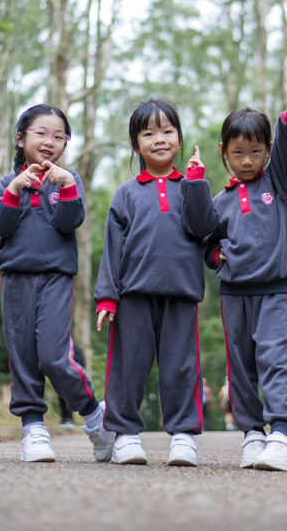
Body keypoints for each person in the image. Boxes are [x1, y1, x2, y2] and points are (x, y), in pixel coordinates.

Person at [0, 104, 114, 463]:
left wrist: (68, 185)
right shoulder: (7, 182)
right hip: (15, 279)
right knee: (23, 356)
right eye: (40, 133)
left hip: (56, 279)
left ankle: (93, 414)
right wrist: (15, 188)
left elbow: (69, 222)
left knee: (54, 357)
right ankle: (33, 429)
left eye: (59, 136)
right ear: (21, 138)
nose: (49, 141)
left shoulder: (67, 179)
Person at [95, 99, 217, 466]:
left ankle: (183, 436)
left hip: (181, 292)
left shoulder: (191, 185)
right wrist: (107, 297)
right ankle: (125, 435)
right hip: (133, 293)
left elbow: (205, 228)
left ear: (179, 139)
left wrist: (197, 183)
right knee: (128, 366)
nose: (159, 139)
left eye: (167, 131)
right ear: (136, 145)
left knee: (181, 366)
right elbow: (112, 248)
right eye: (148, 133)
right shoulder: (125, 194)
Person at [202, 67, 287, 472]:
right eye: (237, 153)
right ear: (224, 152)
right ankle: (252, 433)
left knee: (275, 358)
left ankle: (281, 435)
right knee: (241, 366)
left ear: (267, 151)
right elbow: (207, 242)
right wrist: (217, 257)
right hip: (234, 294)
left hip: (275, 291)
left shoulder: (278, 182)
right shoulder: (220, 201)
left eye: (255, 152)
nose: (246, 161)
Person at [57, 340, 87, 429]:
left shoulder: (74, 348)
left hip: (73, 362)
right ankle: (66, 418)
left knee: (72, 391)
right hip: (63, 363)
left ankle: (87, 414)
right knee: (62, 392)